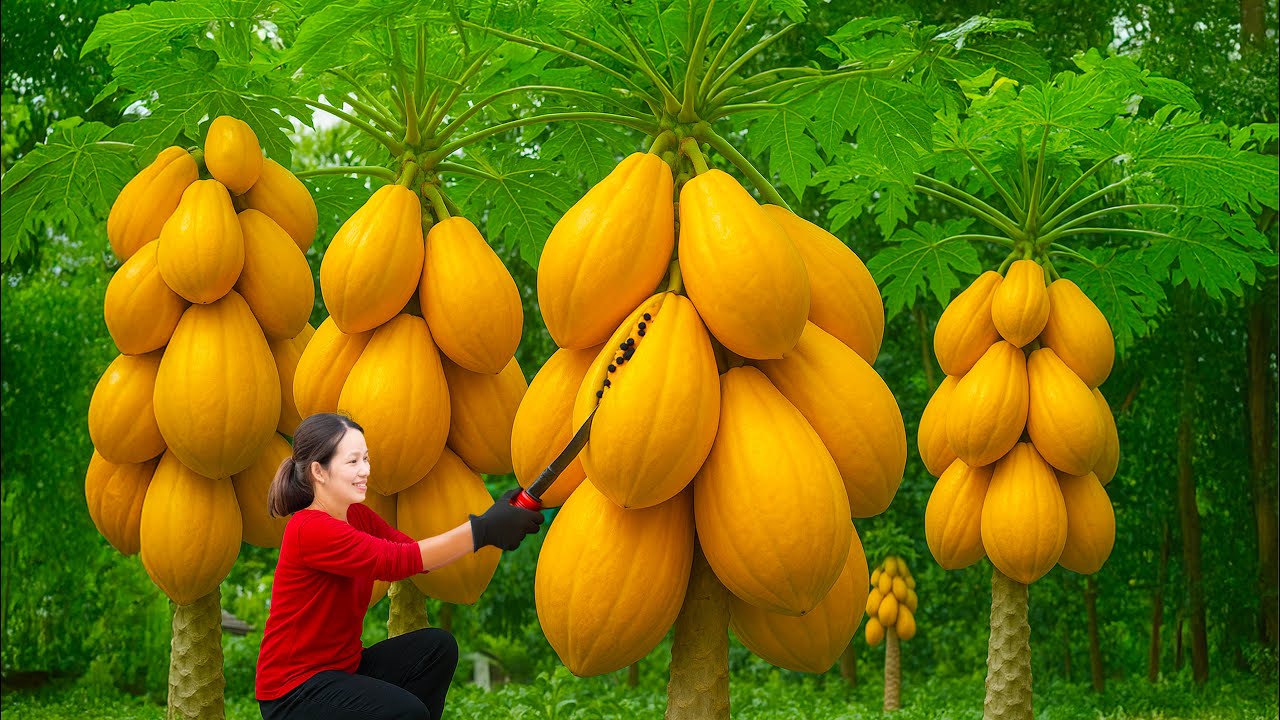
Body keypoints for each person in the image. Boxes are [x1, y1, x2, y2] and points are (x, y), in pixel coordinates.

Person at [255, 412, 544, 720]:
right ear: (319, 472)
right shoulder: (310, 529)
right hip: (293, 692)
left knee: (437, 649)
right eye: (352, 462)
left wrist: (492, 521)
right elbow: (394, 562)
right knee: (407, 712)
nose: (365, 470)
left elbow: (412, 556)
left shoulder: (357, 516)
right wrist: (482, 529)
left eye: (366, 459)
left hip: (342, 670)